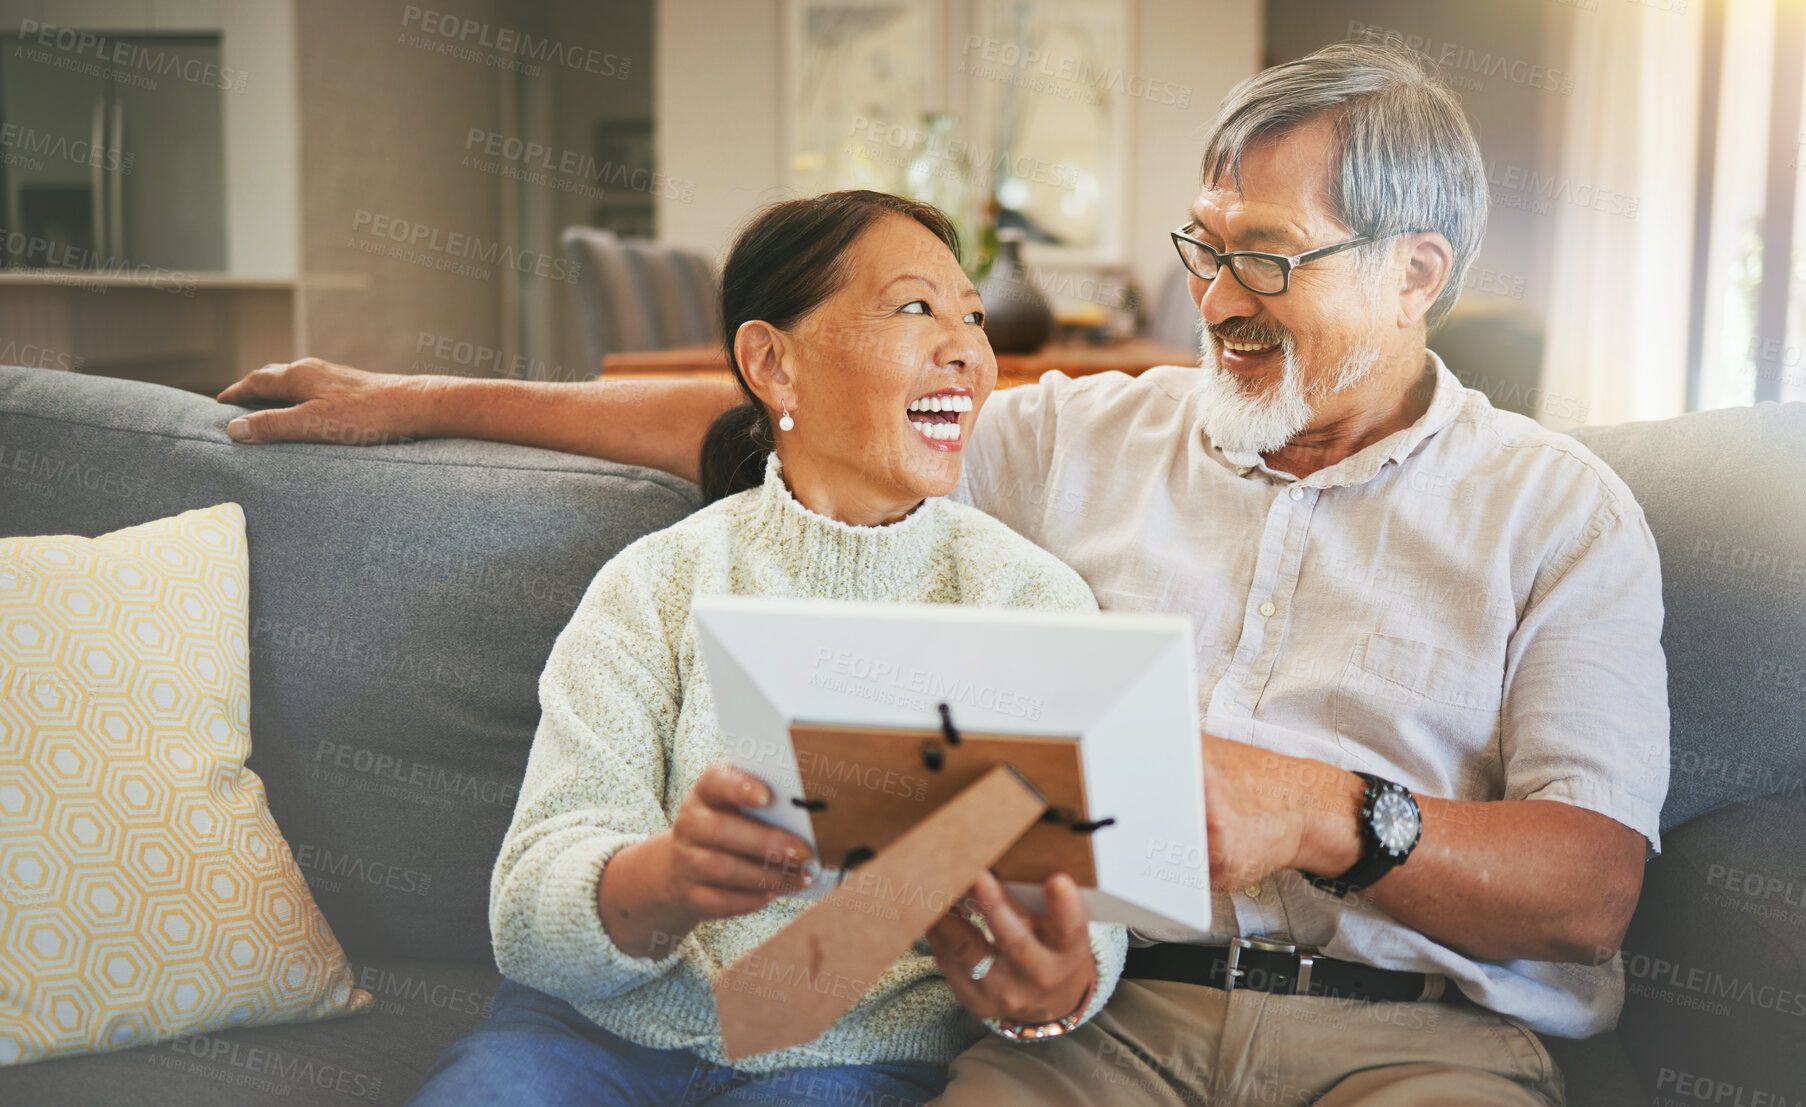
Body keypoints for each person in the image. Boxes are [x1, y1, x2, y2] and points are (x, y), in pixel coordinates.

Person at [220, 43, 1669, 1107]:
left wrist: (1321, 811)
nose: (1217, 299)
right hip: (1111, 1022)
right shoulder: (1086, 439)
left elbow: (1591, 884)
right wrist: (419, 393)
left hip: (1411, 1035)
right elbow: (794, 414)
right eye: (1205, 248)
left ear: (1417, 273)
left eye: (1270, 260)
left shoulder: (1558, 511)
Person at [394, 190, 1127, 1106]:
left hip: (849, 1060)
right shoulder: (654, 586)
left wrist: (1059, 978)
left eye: (971, 316)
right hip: (590, 1038)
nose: (966, 349)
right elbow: (529, 911)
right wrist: (664, 882)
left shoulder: (1033, 604)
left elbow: (1090, 914)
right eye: (915, 308)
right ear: (772, 363)